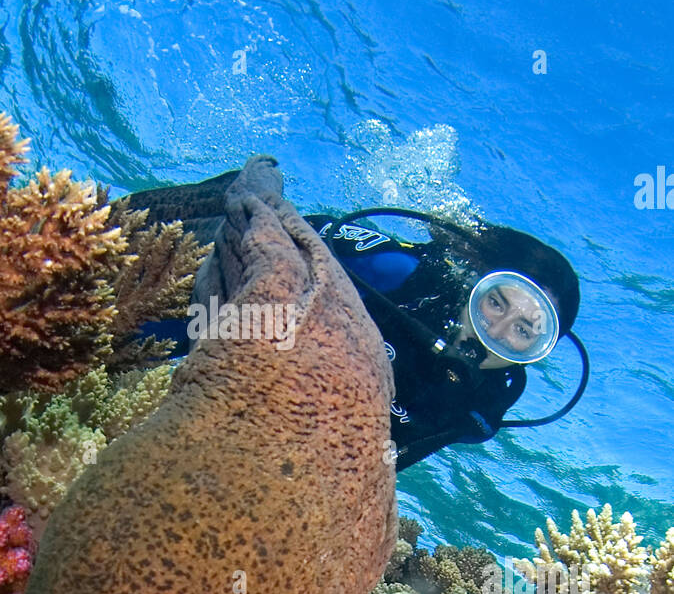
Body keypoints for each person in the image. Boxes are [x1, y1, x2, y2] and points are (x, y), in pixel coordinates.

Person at [125, 165, 588, 472]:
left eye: (526, 332)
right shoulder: (402, 273)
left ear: (536, 352)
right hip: (247, 302)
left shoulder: (481, 408)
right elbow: (278, 239)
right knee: (126, 329)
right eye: (497, 303)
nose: (497, 333)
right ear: (472, 286)